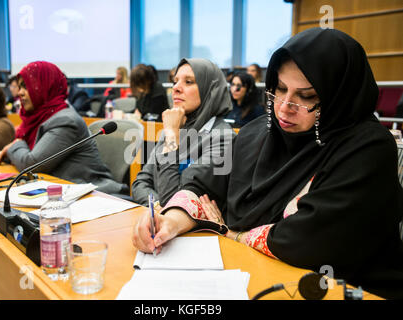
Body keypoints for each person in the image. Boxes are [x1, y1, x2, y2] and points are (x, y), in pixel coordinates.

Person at [132, 28, 403, 299]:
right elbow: (203, 186)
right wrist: (170, 222)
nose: (285, 106)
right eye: (280, 89)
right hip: (248, 274)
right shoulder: (257, 131)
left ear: (338, 97)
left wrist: (232, 233)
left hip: (343, 288)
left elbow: (308, 240)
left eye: (306, 96)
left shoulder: (368, 147)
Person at [0, 61, 128, 195]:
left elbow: (31, 164)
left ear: (44, 87)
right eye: (19, 87)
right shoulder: (40, 118)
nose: (19, 92)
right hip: (60, 192)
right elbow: (30, 155)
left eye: (26, 86)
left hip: (94, 195)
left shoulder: (66, 120)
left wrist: (16, 144)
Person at [132, 58, 235, 208]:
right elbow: (140, 182)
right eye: (175, 81)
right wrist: (157, 206)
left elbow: (174, 202)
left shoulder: (223, 138)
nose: (176, 88)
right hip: (161, 221)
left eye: (188, 82)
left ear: (209, 91)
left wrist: (171, 137)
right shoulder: (175, 125)